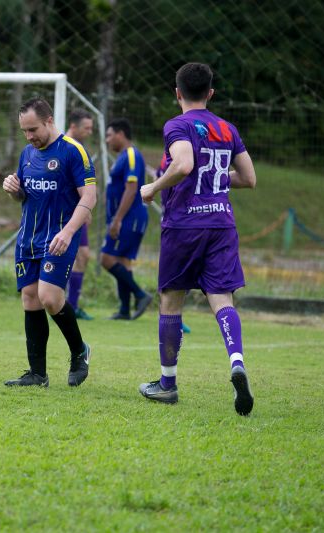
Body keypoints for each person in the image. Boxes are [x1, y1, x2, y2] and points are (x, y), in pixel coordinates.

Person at [138, 63, 257, 415]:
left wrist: (153, 188)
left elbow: (184, 165)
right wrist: (215, 178)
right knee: (222, 298)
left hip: (184, 226)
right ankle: (236, 361)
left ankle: (167, 384)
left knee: (171, 299)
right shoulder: (227, 128)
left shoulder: (177, 125)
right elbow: (249, 178)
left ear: (177, 93)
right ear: (210, 93)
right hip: (221, 224)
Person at [2, 98, 97, 387]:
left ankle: (79, 351)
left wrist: (68, 232)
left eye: (33, 129)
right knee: (30, 298)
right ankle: (37, 374)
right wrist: (13, 189)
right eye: (24, 131)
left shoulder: (73, 151)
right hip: (28, 238)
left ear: (49, 121)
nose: (29, 136)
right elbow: (24, 195)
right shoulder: (27, 154)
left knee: (50, 297)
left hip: (59, 238)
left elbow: (89, 197)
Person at [100, 118, 151, 320]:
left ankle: (140, 295)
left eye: (109, 135)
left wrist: (117, 219)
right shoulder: (123, 157)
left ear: (120, 134)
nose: (107, 140)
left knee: (106, 259)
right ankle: (124, 309)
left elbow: (131, 189)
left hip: (130, 218)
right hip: (127, 218)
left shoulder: (131, 155)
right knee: (122, 261)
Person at [155, 153, 192, 335]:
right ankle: (169, 316)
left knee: (181, 272)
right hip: (177, 221)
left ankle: (172, 316)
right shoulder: (176, 156)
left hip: (183, 220)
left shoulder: (180, 155)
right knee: (173, 273)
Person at [64, 109, 95, 321]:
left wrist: (86, 208)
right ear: (73, 126)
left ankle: (72, 306)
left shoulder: (80, 149)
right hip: (65, 212)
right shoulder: (63, 148)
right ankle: (59, 304)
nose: (89, 132)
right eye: (87, 128)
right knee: (64, 257)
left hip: (78, 211)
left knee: (82, 256)